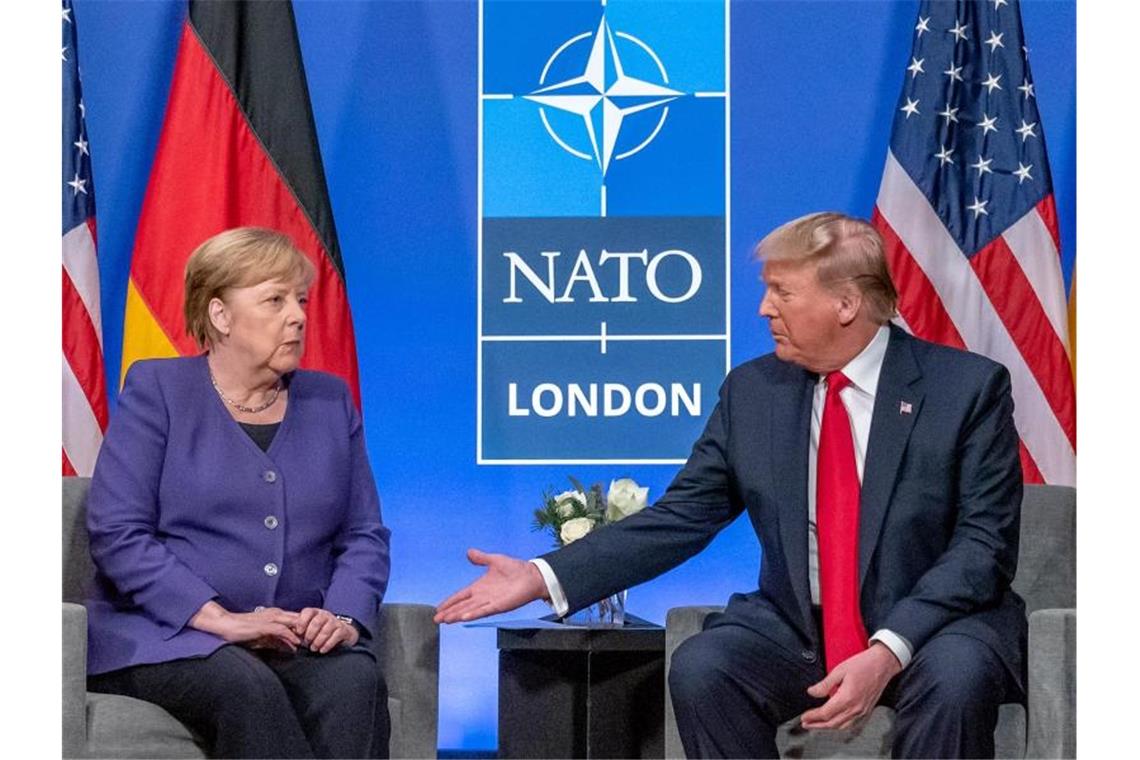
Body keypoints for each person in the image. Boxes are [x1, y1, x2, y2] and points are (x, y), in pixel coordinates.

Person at [436, 212, 1025, 758]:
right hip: (801, 629)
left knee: (957, 679)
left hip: (934, 627)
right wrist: (544, 576)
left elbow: (982, 549)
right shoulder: (754, 392)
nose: (764, 309)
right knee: (704, 667)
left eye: (783, 293)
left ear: (846, 304)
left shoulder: (965, 392)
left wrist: (888, 647)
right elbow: (682, 517)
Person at [85, 227, 392, 759]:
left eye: (300, 300)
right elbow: (118, 532)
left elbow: (363, 534)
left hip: (292, 634)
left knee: (354, 682)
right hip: (170, 635)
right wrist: (219, 619)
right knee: (244, 686)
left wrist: (340, 616)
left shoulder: (329, 401)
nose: (297, 315)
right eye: (274, 300)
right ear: (220, 316)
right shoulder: (158, 391)